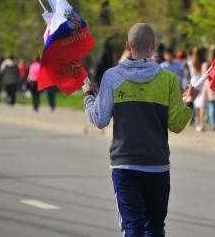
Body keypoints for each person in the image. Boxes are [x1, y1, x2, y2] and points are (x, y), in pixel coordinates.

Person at [83, 23, 195, 237]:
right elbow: (177, 124)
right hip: (157, 165)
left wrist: (89, 96)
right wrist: (188, 102)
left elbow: (99, 119)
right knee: (154, 229)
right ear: (153, 46)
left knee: (132, 228)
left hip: (124, 164)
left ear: (128, 45)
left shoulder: (111, 76)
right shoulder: (168, 79)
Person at [190, 46, 207, 132]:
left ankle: (201, 123)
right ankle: (201, 123)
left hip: (198, 84)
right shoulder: (199, 63)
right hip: (198, 85)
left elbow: (195, 74)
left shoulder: (196, 63)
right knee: (199, 105)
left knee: (199, 105)